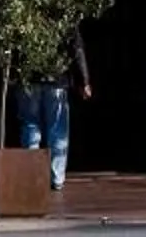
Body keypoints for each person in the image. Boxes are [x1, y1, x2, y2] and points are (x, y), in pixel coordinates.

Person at [18, 31, 91, 192]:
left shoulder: (28, 10)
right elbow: (77, 49)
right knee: (57, 130)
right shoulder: (64, 14)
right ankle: (56, 177)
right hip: (57, 80)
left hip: (30, 78)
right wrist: (84, 81)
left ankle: (31, 174)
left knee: (31, 125)